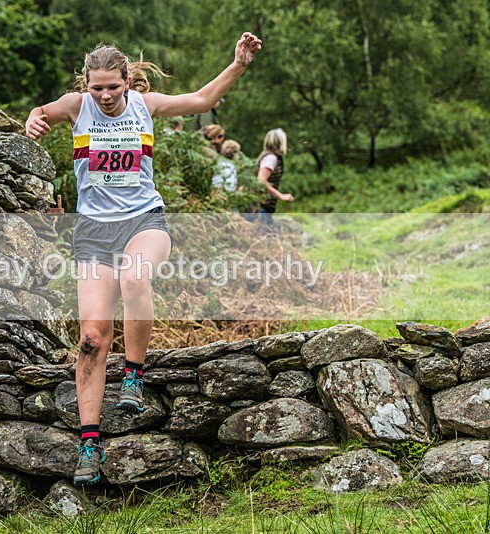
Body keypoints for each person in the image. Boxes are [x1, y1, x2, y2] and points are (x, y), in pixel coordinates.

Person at [25, 32, 262, 486]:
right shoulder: (77, 106)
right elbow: (40, 114)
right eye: (97, 88)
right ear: (86, 85)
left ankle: (133, 375)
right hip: (93, 232)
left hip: (144, 222)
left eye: (113, 87)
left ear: (128, 82)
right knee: (92, 338)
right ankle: (89, 445)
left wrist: (238, 64)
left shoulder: (145, 106)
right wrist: (35, 121)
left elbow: (202, 98)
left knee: (134, 281)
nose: (106, 96)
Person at [252, 128, 293, 226]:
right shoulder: (271, 158)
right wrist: (281, 196)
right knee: (270, 237)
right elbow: (261, 181)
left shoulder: (270, 156)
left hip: (262, 205)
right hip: (258, 206)